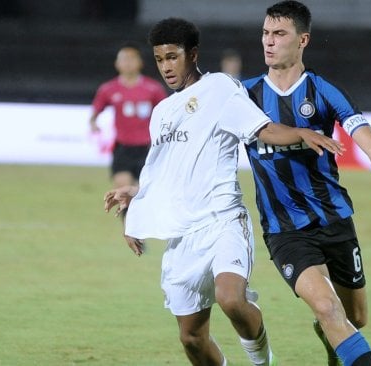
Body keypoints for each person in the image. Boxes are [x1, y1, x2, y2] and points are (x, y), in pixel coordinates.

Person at [104, 17, 344, 366]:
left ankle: (263, 362)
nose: (166, 67)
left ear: (193, 54)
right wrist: (137, 199)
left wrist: (299, 133)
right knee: (191, 337)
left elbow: (261, 128)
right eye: (159, 59)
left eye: (173, 57)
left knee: (231, 298)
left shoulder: (220, 89)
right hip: (183, 235)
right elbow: (167, 172)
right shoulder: (162, 113)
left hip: (222, 221)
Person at [242, 1, 371, 365]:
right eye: (266, 33)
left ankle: (333, 339)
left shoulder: (323, 92)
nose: (268, 42)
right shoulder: (245, 96)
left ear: (303, 40)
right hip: (284, 229)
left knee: (355, 318)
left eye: (279, 34)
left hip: (334, 220)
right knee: (326, 306)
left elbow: (369, 140)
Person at [89, 43, 167, 188]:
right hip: (122, 147)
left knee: (142, 191)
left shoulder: (153, 88)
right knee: (122, 188)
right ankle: (127, 210)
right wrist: (93, 122)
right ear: (117, 63)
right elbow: (96, 111)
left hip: (147, 147)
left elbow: (167, 112)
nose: (128, 63)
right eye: (124, 59)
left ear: (140, 63)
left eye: (132, 59)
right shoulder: (108, 89)